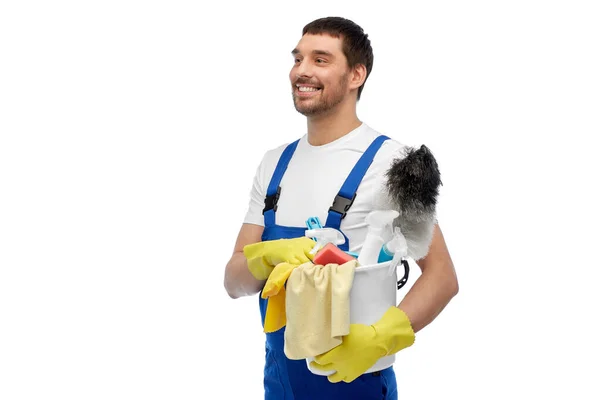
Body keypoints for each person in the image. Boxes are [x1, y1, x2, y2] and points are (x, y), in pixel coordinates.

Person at [224, 16, 459, 400]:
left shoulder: (391, 162)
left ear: (356, 75)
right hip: (279, 382)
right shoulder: (274, 164)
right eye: (297, 58)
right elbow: (233, 282)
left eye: (320, 60)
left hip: (356, 381)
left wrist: (381, 339)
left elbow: (442, 277)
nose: (301, 70)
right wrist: (263, 257)